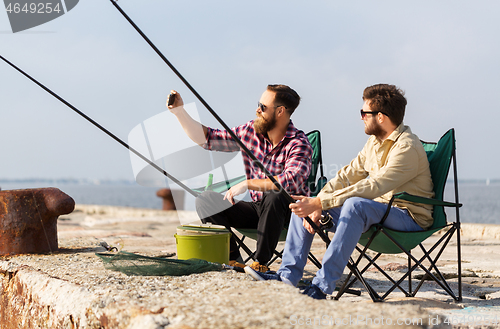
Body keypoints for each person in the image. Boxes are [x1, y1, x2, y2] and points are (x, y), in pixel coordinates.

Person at [245, 83, 434, 299]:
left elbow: (375, 186)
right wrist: (317, 202)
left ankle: (321, 287)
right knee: (305, 204)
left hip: (408, 217)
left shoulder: (406, 147)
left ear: (380, 117)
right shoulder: (374, 143)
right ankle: (287, 277)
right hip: (378, 211)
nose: (361, 117)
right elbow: (346, 176)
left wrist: (322, 204)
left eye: (364, 112)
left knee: (354, 205)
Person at [167, 84, 313, 273]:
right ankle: (233, 259)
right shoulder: (250, 132)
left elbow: (290, 181)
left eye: (262, 106)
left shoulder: (299, 143)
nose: (257, 110)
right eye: (258, 104)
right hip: (258, 209)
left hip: (288, 213)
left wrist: (247, 184)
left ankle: (260, 263)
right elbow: (209, 139)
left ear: (280, 111)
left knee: (275, 194)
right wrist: (180, 112)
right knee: (205, 200)